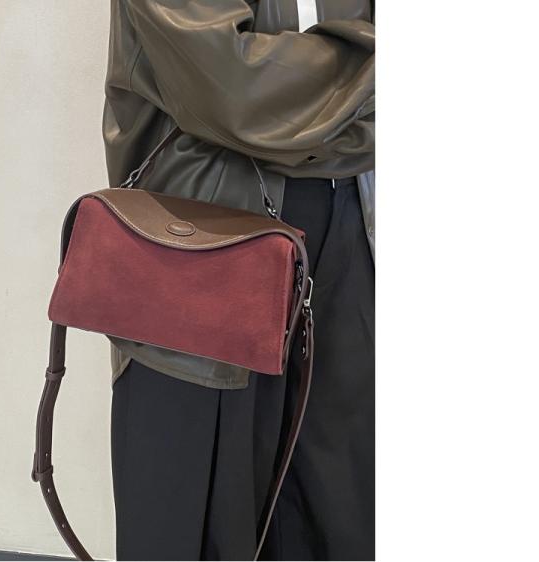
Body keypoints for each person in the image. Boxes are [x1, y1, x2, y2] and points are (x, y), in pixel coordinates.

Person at [103, 1, 374, 559]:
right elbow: (233, 87)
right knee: (195, 521)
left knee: (340, 510)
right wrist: (360, 105)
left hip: (352, 240)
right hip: (202, 249)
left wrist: (306, 115)